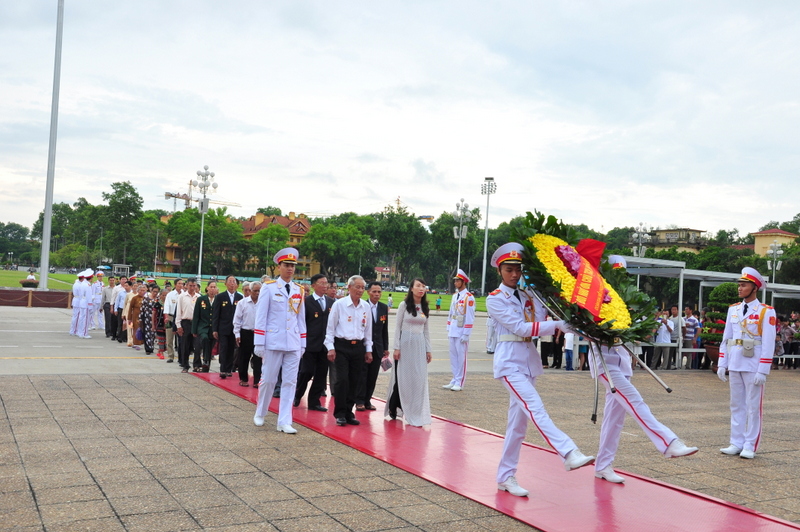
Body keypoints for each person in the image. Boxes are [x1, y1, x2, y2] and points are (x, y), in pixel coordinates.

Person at [487, 243, 594, 498]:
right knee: (535, 408)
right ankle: (568, 452)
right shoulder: (495, 299)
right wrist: (558, 325)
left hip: (528, 362)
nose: (514, 274)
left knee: (517, 426)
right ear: (499, 271)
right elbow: (521, 328)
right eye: (509, 270)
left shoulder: (528, 295)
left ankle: (505, 476)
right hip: (509, 363)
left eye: (518, 270)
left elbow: (546, 313)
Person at [718, 267, 777, 459]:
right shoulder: (733, 309)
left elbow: (768, 342)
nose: (740, 288)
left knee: (753, 407)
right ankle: (736, 442)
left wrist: (763, 370)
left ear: (755, 288)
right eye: (740, 285)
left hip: (753, 364)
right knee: (736, 405)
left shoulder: (766, 311)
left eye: (744, 285)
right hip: (736, 361)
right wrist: (722, 363)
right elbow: (726, 338)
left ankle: (750, 444)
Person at [253, 248, 307, 434]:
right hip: (273, 340)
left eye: (292, 265)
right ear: (279, 267)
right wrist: (259, 342)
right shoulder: (268, 288)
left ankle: (284, 421)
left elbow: (301, 319)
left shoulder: (298, 290)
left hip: (293, 342)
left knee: (290, 382)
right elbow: (261, 316)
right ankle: (261, 411)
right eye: (286, 265)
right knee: (268, 380)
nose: (290, 268)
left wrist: (303, 343)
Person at [324, 275, 373, 427]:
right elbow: (330, 328)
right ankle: (340, 413)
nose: (360, 290)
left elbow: (368, 331)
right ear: (349, 287)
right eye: (357, 287)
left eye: (363, 288)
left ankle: (348, 412)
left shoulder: (365, 306)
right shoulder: (339, 305)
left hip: (358, 347)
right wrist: (330, 348)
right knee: (342, 380)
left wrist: (368, 349)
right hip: (342, 346)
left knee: (355, 380)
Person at [385, 278, 431, 426]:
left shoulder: (425, 307)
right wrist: (396, 347)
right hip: (405, 345)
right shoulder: (404, 305)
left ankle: (415, 411)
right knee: (402, 378)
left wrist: (428, 350)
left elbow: (426, 330)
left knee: (418, 379)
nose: (421, 289)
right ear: (411, 288)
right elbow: (397, 328)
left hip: (419, 346)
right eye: (418, 286)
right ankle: (395, 405)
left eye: (423, 286)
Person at [294, 274, 335, 412]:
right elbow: (301, 322)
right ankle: (297, 395)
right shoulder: (306, 302)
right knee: (306, 371)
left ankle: (314, 401)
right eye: (321, 283)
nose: (325, 286)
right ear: (313, 285)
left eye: (326, 283)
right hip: (310, 344)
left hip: (325, 345)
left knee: (321, 375)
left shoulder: (331, 302)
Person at [357, 281, 389, 411]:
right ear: (368, 292)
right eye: (374, 291)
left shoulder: (383, 307)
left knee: (373, 375)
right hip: (364, 346)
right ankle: (359, 400)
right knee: (362, 374)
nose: (377, 294)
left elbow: (384, 330)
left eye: (379, 292)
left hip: (378, 347)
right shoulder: (362, 306)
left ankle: (367, 400)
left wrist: (385, 347)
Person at [444, 268, 475, 392]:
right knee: (453, 356)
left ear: (463, 282)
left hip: (462, 330)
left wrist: (466, 333)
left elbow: (470, 316)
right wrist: (448, 327)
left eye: (458, 281)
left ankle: (460, 381)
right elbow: (451, 313)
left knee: (461, 357)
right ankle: (454, 379)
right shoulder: (454, 296)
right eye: (455, 280)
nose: (455, 283)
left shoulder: (469, 297)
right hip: (453, 328)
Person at [213, 275, 243, 378]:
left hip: (234, 328)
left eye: (234, 281)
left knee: (231, 349)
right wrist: (215, 329)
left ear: (237, 284)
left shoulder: (240, 297)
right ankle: (223, 369)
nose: (232, 284)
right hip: (223, 328)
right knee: (224, 348)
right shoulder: (220, 297)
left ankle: (229, 369)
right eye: (230, 281)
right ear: (225, 284)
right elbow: (216, 314)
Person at [234, 281, 261, 387]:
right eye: (255, 291)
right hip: (246, 332)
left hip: (259, 333)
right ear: (250, 291)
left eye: (259, 291)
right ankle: (243, 379)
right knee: (244, 357)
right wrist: (237, 334)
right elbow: (237, 320)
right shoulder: (242, 303)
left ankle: (257, 380)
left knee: (258, 358)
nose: (257, 293)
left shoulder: (263, 303)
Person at [192, 280, 218, 372]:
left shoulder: (218, 299)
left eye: (214, 287)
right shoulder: (201, 299)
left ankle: (206, 366)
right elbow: (196, 315)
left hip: (213, 328)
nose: (212, 289)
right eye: (211, 287)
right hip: (203, 326)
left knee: (210, 346)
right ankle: (206, 360)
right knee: (205, 338)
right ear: (207, 288)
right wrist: (194, 330)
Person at [176, 278, 200, 373]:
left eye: (194, 286)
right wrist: (178, 325)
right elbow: (178, 311)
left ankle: (196, 365)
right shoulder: (182, 296)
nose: (192, 288)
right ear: (186, 285)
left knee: (197, 345)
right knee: (185, 345)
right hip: (185, 322)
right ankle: (185, 365)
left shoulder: (199, 297)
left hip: (196, 323)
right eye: (190, 285)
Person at [163, 279, 183, 363]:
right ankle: (170, 356)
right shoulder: (170, 294)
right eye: (179, 283)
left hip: (181, 318)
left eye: (182, 284)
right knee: (169, 338)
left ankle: (181, 357)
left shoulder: (184, 294)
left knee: (181, 339)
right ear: (175, 285)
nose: (181, 285)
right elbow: (166, 306)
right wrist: (166, 317)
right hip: (171, 317)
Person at [140, 284, 160, 355]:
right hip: (147, 318)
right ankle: (148, 348)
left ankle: (151, 346)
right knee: (147, 333)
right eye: (154, 291)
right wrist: (140, 318)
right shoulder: (146, 299)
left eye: (157, 292)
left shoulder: (158, 299)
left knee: (153, 334)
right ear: (151, 291)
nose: (155, 293)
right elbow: (142, 308)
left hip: (155, 318)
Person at [126, 284, 147, 351]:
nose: (142, 292)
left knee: (143, 328)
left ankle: (142, 342)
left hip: (143, 315)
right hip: (135, 316)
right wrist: (129, 318)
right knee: (136, 328)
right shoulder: (134, 298)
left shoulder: (146, 298)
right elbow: (130, 308)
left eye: (144, 290)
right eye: (141, 290)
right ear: (138, 291)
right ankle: (136, 343)